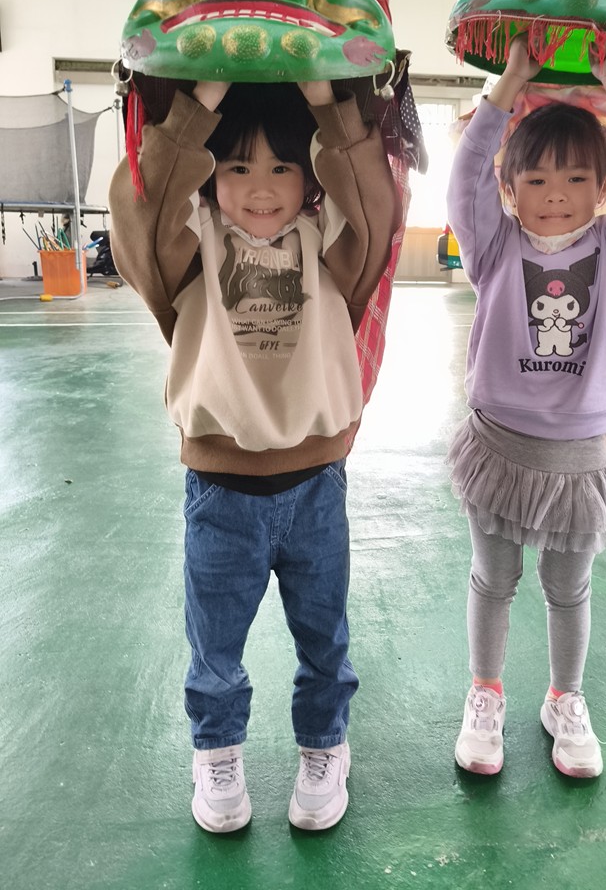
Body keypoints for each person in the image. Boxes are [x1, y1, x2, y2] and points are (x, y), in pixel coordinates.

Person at [109, 77, 400, 832]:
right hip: (219, 491)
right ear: (210, 174)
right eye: (237, 167)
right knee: (214, 649)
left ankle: (325, 746)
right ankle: (217, 754)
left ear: (309, 176)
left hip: (316, 487)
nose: (261, 188)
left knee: (325, 641)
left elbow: (377, 209)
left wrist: (329, 101)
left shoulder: (331, 247)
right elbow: (140, 216)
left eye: (281, 167)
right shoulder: (188, 249)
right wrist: (196, 106)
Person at [446, 35, 606, 779]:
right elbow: (466, 176)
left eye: (576, 178)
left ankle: (564, 699)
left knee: (568, 589)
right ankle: (485, 694)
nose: (555, 193)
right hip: (498, 446)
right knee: (493, 579)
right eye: (536, 178)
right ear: (511, 189)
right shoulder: (493, 247)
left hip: (579, 455)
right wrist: (509, 83)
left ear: (602, 186)